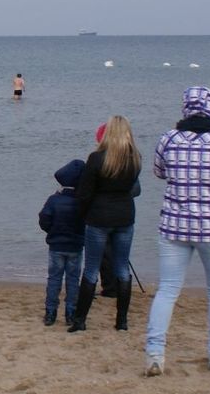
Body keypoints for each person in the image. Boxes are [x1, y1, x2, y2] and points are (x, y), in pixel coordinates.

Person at [146, 86, 210, 377]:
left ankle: (154, 354)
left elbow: (159, 171)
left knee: (167, 290)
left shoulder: (169, 139)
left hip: (174, 226)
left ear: (185, 108)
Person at [72, 116, 141, 332]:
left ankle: (80, 320)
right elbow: (133, 188)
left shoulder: (96, 158)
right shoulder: (134, 158)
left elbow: (84, 193)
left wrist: (82, 214)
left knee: (91, 269)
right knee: (122, 268)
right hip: (124, 216)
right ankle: (121, 321)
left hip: (99, 217)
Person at [37, 159, 86, 327]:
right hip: (75, 246)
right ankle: (70, 313)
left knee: (54, 279)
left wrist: (52, 231)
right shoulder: (82, 202)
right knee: (73, 280)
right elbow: (86, 223)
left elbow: (44, 219)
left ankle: (50, 312)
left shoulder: (54, 200)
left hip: (56, 246)